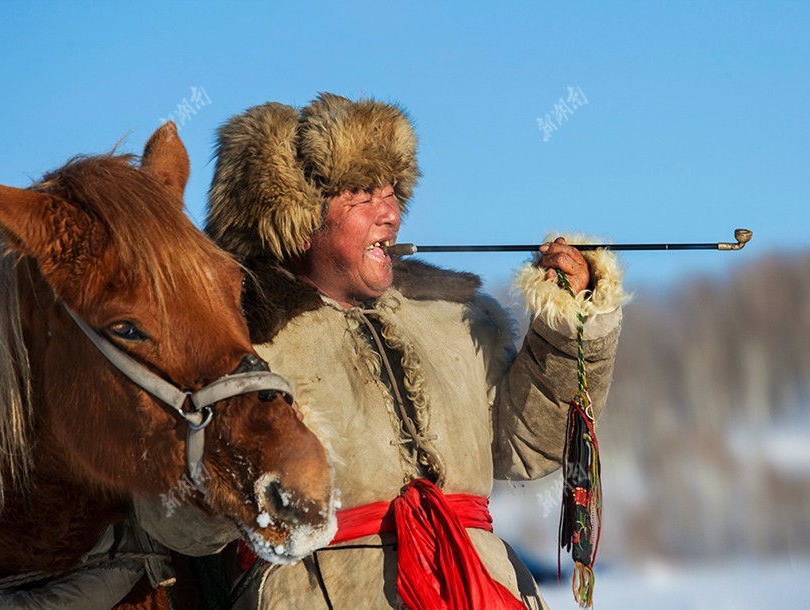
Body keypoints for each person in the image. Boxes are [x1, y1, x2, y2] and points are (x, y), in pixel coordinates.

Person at [198, 92, 627, 609]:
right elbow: (184, 523)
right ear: (296, 216)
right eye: (362, 194)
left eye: (392, 192)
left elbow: (527, 446)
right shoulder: (235, 343)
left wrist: (566, 322)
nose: (392, 214)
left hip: (479, 589)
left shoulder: (454, 319)